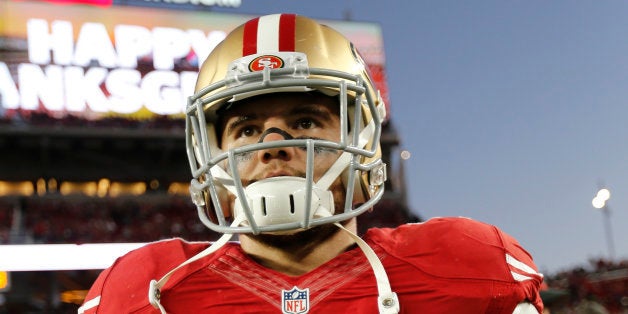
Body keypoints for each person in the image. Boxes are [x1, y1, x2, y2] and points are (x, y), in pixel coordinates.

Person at [79, 14, 544, 313]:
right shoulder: (147, 289)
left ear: (360, 136)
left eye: (304, 121)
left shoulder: (466, 265)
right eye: (244, 130)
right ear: (210, 156)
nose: (271, 146)